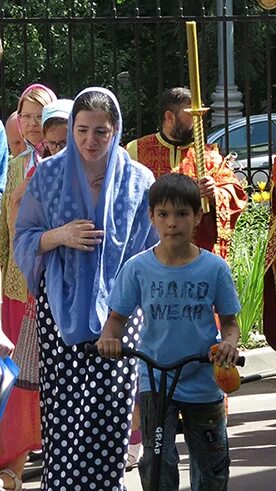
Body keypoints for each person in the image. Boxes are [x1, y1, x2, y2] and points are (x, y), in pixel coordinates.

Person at [13, 88, 158, 489]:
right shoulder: (49, 175)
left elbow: (151, 253)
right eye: (81, 130)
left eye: (101, 132)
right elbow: (24, 237)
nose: (89, 141)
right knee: (63, 421)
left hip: (120, 317)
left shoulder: (138, 180)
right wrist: (60, 234)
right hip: (59, 314)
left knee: (110, 415)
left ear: (116, 132)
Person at [97, 173, 241, 491]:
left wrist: (229, 345)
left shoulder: (214, 268)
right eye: (163, 214)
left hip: (203, 377)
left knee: (212, 466)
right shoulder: (137, 268)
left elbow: (230, 323)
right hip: (155, 379)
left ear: (197, 216)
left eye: (181, 214)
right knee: (158, 464)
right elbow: (116, 318)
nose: (172, 223)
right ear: (152, 217)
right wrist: (109, 338)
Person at [0, 98, 68, 490]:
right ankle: (16, 459)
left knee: (60, 383)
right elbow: (11, 228)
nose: (31, 124)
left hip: (66, 296)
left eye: (36, 116)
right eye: (24, 116)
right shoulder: (19, 170)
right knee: (25, 376)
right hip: (25, 288)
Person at [126, 87, 246, 260]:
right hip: (149, 252)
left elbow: (235, 192)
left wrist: (215, 193)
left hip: (196, 253)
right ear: (169, 117)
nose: (199, 122)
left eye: (201, 115)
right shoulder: (136, 150)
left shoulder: (209, 155)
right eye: (192, 115)